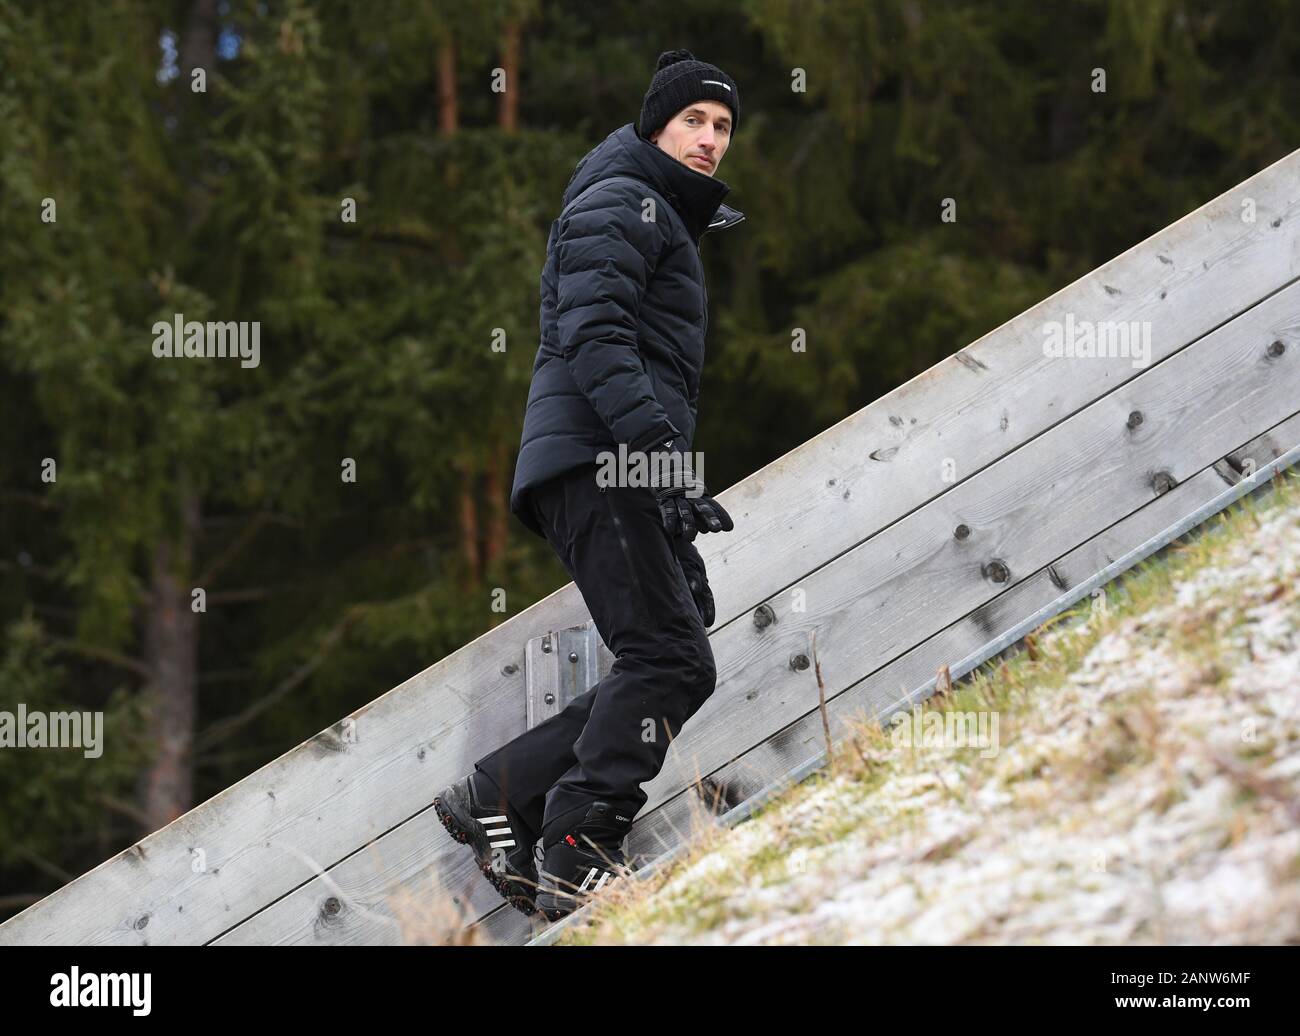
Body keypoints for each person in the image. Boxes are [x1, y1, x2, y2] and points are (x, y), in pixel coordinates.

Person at [434, 49, 745, 922]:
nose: (710, 140)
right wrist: (665, 469)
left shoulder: (655, 212)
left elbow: (633, 356)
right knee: (670, 657)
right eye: (694, 120)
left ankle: (506, 791)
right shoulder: (621, 201)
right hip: (598, 463)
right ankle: (577, 839)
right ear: (656, 125)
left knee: (671, 655)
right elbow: (598, 339)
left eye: (723, 127)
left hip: (608, 467)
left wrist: (670, 515)